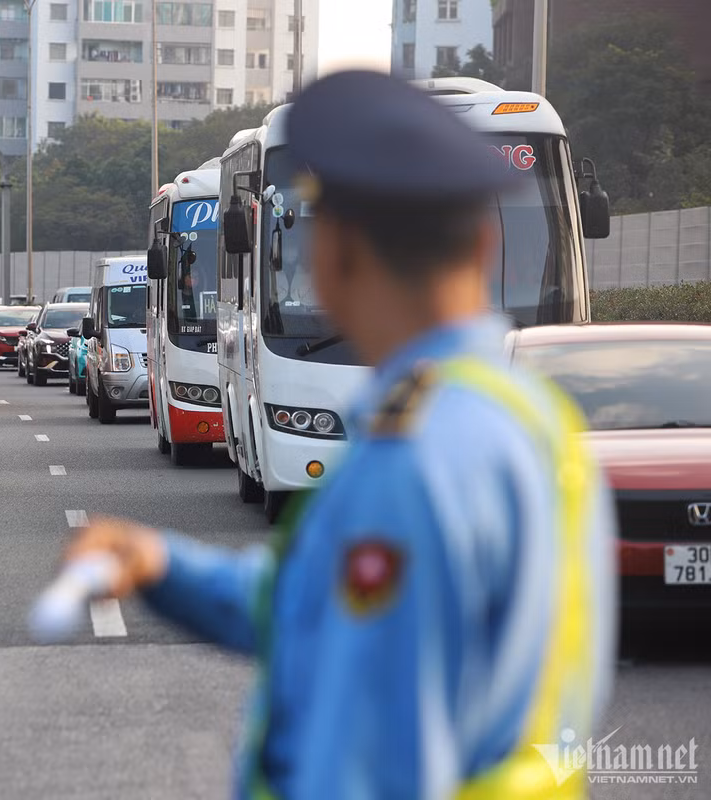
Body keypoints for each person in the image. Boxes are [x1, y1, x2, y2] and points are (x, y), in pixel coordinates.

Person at [57, 70, 617, 798]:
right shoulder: (536, 420)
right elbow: (324, 598)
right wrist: (168, 569)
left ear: (331, 256)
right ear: (482, 244)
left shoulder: (413, 462)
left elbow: (370, 760)